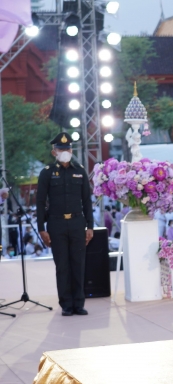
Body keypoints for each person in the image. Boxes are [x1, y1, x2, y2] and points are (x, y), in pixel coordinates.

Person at [35, 132, 94, 316]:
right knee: (62, 266)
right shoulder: (47, 173)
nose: (65, 152)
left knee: (78, 264)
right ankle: (66, 304)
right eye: (61, 149)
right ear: (54, 152)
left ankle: (79, 303)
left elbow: (87, 201)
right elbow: (40, 202)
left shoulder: (80, 171)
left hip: (77, 223)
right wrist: (41, 229)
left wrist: (90, 226)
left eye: (67, 148)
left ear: (71, 150)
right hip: (56, 224)